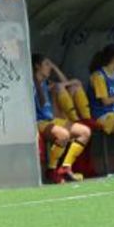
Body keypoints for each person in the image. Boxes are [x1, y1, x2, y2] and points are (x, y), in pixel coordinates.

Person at [32, 53, 89, 183]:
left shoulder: (46, 83)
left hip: (51, 120)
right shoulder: (30, 83)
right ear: (37, 66)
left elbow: (64, 83)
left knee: (85, 132)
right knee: (63, 135)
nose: (49, 67)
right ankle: (51, 170)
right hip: (39, 122)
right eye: (46, 64)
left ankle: (66, 167)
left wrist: (56, 68)